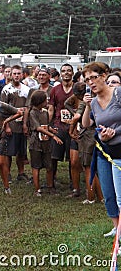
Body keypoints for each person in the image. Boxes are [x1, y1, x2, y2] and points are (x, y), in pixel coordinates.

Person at [82, 62, 121, 237]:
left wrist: (115, 132)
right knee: (110, 194)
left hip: (119, 151)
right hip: (107, 152)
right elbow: (87, 124)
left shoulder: (118, 94)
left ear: (104, 76)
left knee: (120, 198)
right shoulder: (95, 103)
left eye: (93, 77)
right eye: (87, 79)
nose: (90, 82)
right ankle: (117, 230)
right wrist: (104, 135)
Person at [48, 64, 78, 195]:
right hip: (58, 126)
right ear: (60, 74)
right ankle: (51, 182)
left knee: (73, 158)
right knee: (54, 156)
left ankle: (74, 183)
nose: (66, 73)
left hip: (74, 127)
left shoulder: (78, 88)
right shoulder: (55, 89)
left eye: (69, 71)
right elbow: (51, 108)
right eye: (64, 71)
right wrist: (48, 124)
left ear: (73, 73)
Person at [28, 90, 63, 196]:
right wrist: (53, 135)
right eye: (45, 99)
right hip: (36, 143)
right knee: (36, 166)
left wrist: (52, 130)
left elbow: (46, 125)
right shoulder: (32, 113)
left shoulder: (45, 112)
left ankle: (50, 186)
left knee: (49, 165)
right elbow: (38, 127)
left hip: (46, 142)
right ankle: (37, 189)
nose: (47, 100)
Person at [0, 65, 30, 181]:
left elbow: (27, 108)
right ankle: (7, 174)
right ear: (10, 75)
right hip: (10, 124)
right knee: (8, 152)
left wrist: (25, 124)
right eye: (14, 73)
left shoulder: (26, 90)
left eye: (19, 73)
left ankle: (21, 173)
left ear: (22, 75)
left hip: (22, 123)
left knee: (21, 151)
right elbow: (2, 109)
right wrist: (6, 125)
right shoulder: (6, 90)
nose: (17, 76)